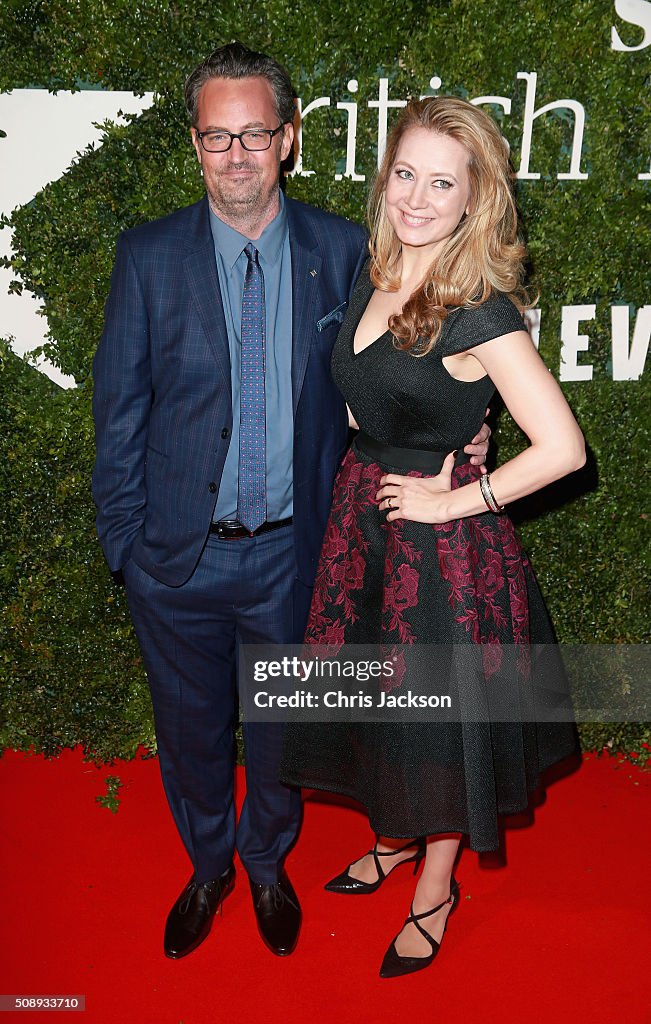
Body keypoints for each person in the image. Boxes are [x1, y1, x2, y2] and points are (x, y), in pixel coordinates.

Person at [91, 42, 494, 961]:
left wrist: (466, 434)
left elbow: (412, 366)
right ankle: (208, 867)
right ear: (195, 145)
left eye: (255, 134)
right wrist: (130, 550)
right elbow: (118, 414)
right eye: (215, 136)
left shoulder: (344, 249)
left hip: (294, 554)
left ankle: (267, 864)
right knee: (190, 733)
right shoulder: (147, 256)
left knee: (278, 731)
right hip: (175, 560)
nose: (235, 154)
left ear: (290, 140)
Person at [280, 96, 585, 978]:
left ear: (472, 198)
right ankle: (397, 838)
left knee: (436, 726)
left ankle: (435, 888)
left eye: (440, 182)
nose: (417, 197)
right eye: (405, 173)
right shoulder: (372, 273)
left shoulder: (479, 307)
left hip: (437, 550)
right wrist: (456, 425)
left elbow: (563, 449)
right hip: (362, 527)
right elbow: (363, 397)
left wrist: (454, 501)